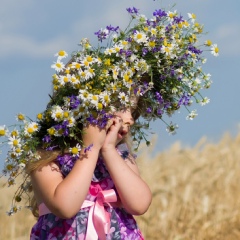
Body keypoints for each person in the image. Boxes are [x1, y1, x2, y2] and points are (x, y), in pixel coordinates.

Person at [28, 106, 152, 239]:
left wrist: (108, 149)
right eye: (120, 106)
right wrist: (90, 148)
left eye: (132, 110)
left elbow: (139, 205)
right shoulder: (47, 156)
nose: (130, 119)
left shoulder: (120, 154)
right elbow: (65, 207)